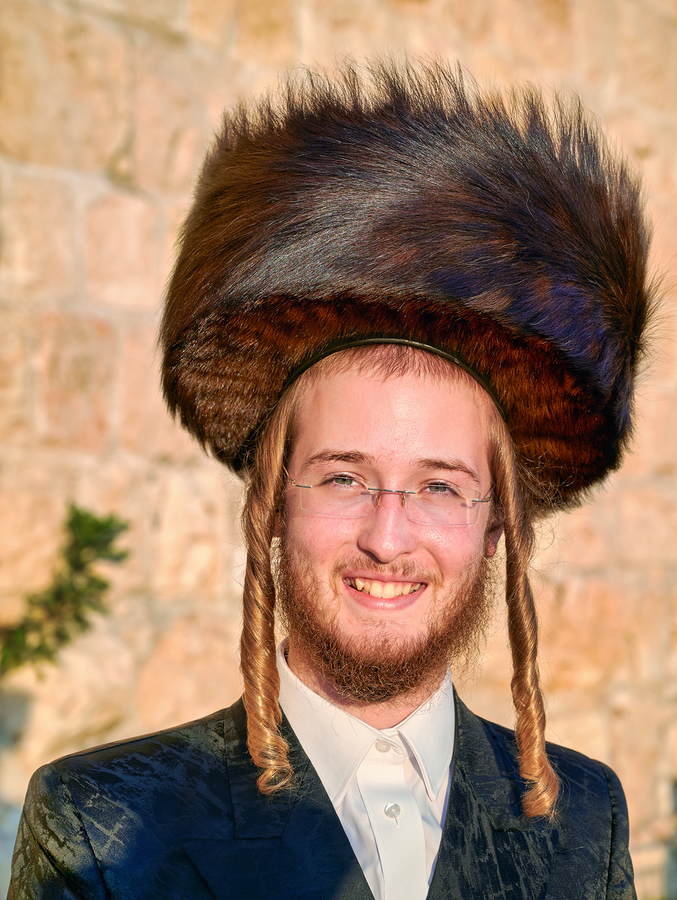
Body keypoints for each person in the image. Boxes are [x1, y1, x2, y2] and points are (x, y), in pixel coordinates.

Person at [9, 60, 654, 899]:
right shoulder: (102, 825)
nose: (388, 538)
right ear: (272, 500)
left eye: (438, 486)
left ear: (498, 524)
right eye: (344, 477)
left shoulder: (583, 818)